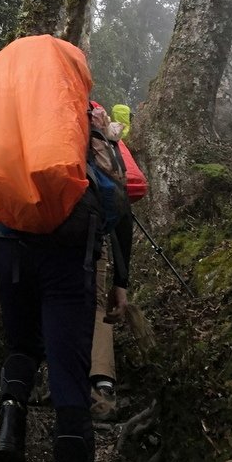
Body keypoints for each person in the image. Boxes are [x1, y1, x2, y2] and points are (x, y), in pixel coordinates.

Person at [0, 38, 99, 462]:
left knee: (21, 346)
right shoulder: (78, 116)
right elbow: (118, 196)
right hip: (67, 255)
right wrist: (123, 282)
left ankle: (9, 432)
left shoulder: (3, 100)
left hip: (8, 246)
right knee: (70, 374)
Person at [89, 103, 147, 421]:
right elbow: (122, 209)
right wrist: (121, 282)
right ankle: (102, 389)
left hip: (44, 240)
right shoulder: (104, 140)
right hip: (93, 240)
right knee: (97, 309)